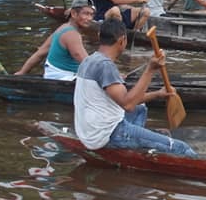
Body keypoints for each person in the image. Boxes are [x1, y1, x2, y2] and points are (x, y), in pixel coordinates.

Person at [74, 18, 195, 155]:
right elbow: (128, 105)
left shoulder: (89, 60)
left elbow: (129, 101)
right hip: (108, 133)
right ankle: (134, 140)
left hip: (90, 129)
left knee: (140, 109)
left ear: (99, 36)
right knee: (182, 148)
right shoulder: (105, 66)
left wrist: (157, 94)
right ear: (122, 40)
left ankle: (139, 141)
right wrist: (150, 69)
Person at [16, 0, 94, 79]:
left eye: (91, 14)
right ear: (74, 14)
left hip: (52, 75)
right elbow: (87, 63)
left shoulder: (63, 28)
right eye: (86, 14)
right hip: (64, 77)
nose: (90, 18)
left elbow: (40, 53)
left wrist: (22, 72)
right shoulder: (71, 34)